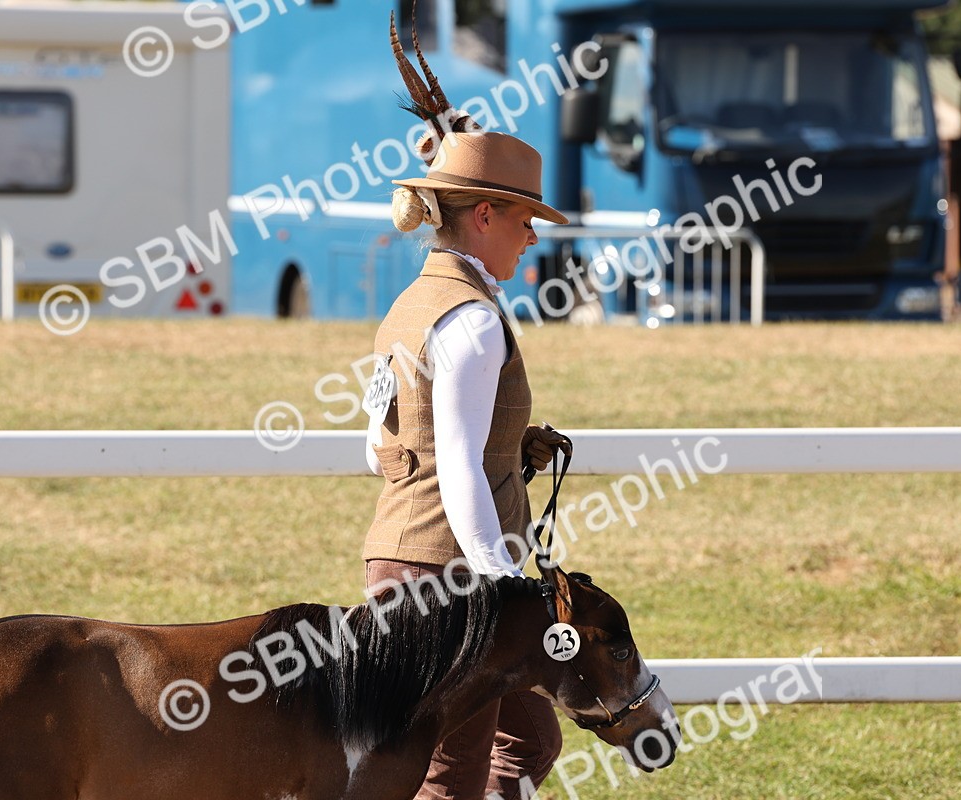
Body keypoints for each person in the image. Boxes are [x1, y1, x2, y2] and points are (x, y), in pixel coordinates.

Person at [360, 14, 571, 799]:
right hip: (449, 576)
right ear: (483, 215)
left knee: (529, 734)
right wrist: (500, 586)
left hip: (397, 558)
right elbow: (454, 464)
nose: (530, 239)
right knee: (450, 773)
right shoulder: (475, 321)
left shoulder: (410, 307)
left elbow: (377, 445)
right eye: (523, 221)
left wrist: (509, 450)